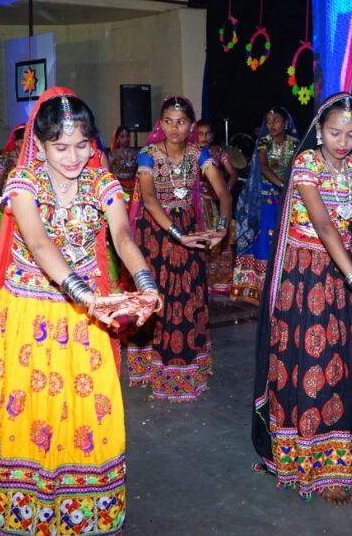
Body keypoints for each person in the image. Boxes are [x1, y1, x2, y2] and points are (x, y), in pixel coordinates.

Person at [0, 89, 161, 535]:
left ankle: (82, 511)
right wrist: (86, 295)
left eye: (82, 145)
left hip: (86, 318)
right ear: (40, 144)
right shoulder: (23, 181)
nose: (73, 157)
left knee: (89, 408)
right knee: (27, 411)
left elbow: (123, 237)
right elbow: (39, 242)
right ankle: (20, 510)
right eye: (61, 146)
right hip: (28, 313)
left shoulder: (102, 182)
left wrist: (146, 283)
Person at [251, 93, 352, 505]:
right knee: (312, 362)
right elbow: (323, 224)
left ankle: (343, 448)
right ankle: (316, 462)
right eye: (335, 133)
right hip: (306, 274)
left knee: (345, 358)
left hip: (342, 273)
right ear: (319, 130)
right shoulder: (306, 164)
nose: (343, 142)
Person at [126, 96, 231, 401]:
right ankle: (150, 365)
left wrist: (222, 226)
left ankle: (185, 367)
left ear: (191, 125)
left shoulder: (199, 154)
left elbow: (223, 191)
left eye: (181, 122)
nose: (174, 128)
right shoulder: (148, 154)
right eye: (169, 121)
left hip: (188, 227)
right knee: (157, 295)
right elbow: (149, 199)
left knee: (188, 295)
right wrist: (176, 234)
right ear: (161, 123)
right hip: (155, 231)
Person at [232, 107, 298, 306]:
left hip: (288, 198)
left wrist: (290, 188)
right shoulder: (263, 142)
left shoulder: (296, 144)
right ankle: (260, 289)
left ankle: (284, 287)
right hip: (266, 198)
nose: (271, 125)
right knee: (264, 238)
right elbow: (264, 167)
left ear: (286, 123)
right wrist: (282, 185)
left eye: (276, 120)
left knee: (285, 239)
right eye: (268, 121)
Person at [197, 119, 239, 300]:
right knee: (201, 240)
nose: (204, 137)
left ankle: (219, 283)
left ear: (212, 136)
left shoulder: (217, 152)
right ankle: (202, 282)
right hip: (198, 204)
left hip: (216, 205)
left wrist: (225, 190)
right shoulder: (192, 153)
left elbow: (233, 173)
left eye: (207, 133)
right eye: (200, 133)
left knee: (219, 240)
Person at [0, 124, 25, 273]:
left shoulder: (36, 159)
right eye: (23, 140)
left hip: (30, 211)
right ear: (16, 142)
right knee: (4, 253)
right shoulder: (4, 160)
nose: (27, 144)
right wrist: (8, 213)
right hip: (6, 210)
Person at [108, 126, 139, 200]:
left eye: (127, 136)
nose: (126, 139)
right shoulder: (113, 155)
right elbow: (109, 173)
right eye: (122, 136)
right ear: (117, 139)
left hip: (133, 187)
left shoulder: (136, 153)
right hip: (118, 187)